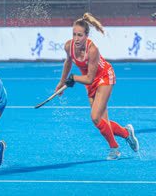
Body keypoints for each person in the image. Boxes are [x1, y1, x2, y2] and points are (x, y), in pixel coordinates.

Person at [55, 13, 139, 160]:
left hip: (105, 77)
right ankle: (126, 133)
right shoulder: (69, 46)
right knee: (101, 122)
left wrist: (73, 78)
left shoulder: (92, 50)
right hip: (90, 81)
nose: (76, 38)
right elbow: (68, 62)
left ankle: (114, 148)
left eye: (80, 35)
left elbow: (89, 78)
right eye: (74, 34)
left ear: (87, 35)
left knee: (95, 117)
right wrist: (62, 82)